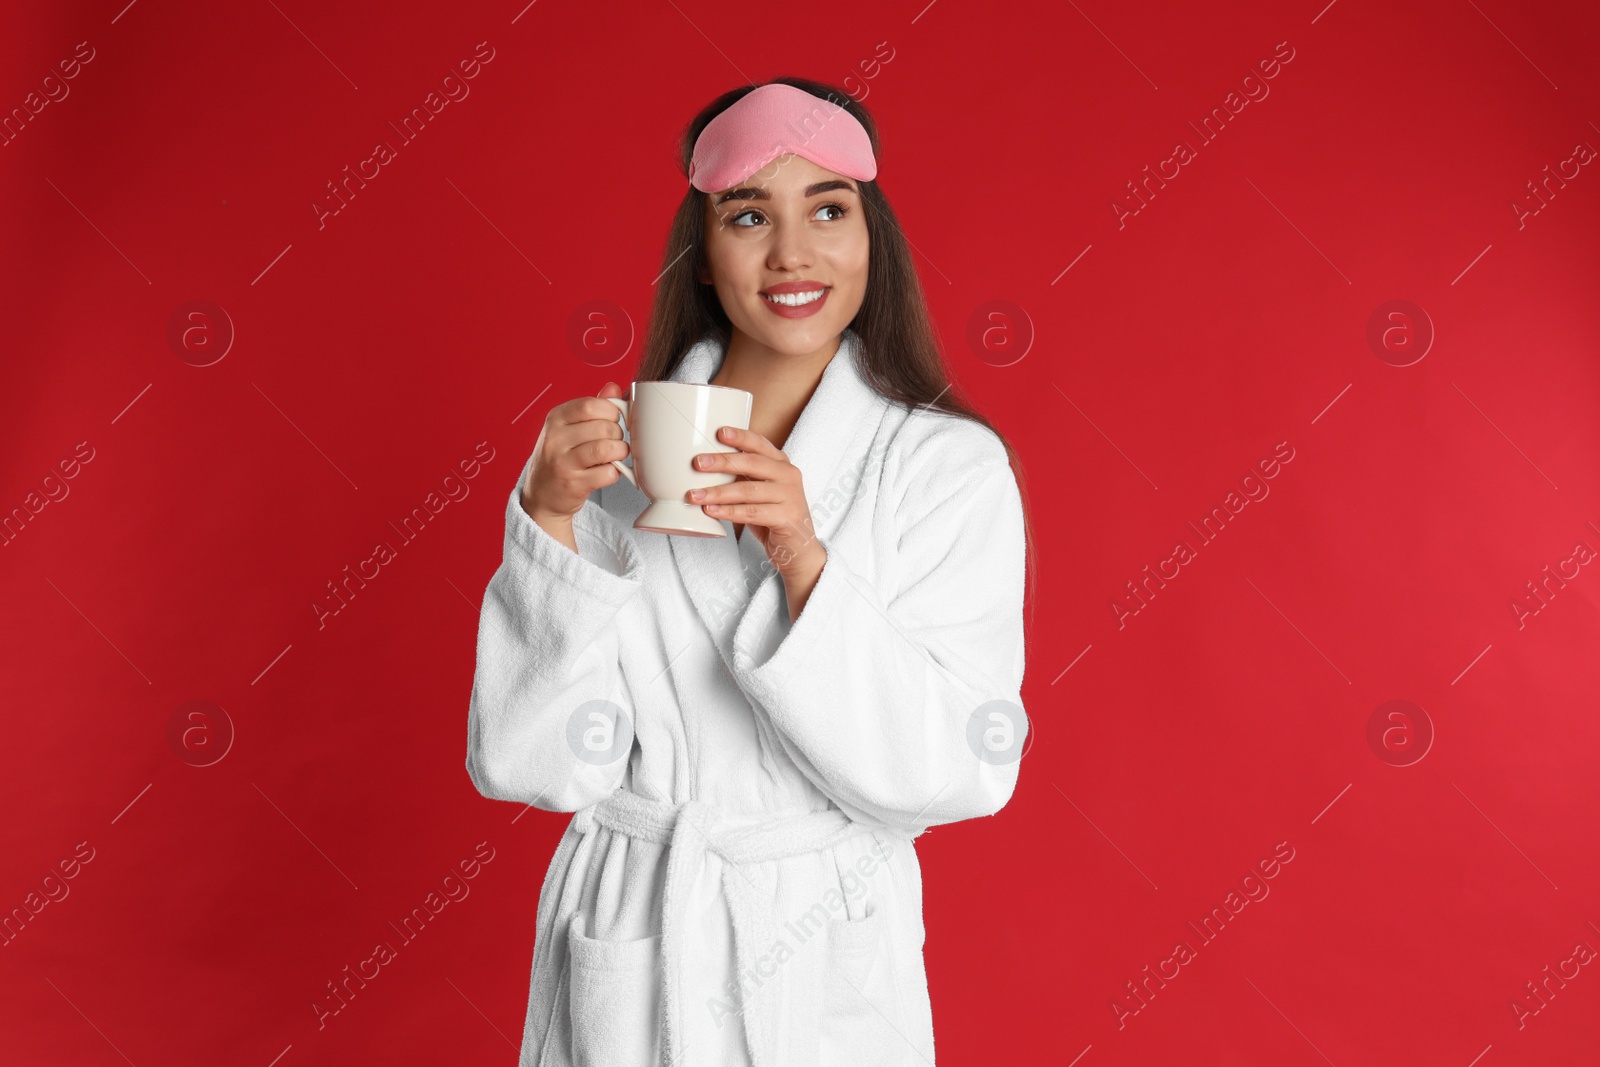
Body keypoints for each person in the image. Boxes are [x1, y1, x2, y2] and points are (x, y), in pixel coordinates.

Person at [466, 76, 1035, 1067]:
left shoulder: (945, 468)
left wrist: (805, 564)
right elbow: (534, 764)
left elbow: (967, 766)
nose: (792, 253)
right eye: (747, 215)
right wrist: (548, 524)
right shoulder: (619, 464)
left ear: (872, 240)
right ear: (703, 251)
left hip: (828, 957)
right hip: (641, 932)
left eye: (827, 208)